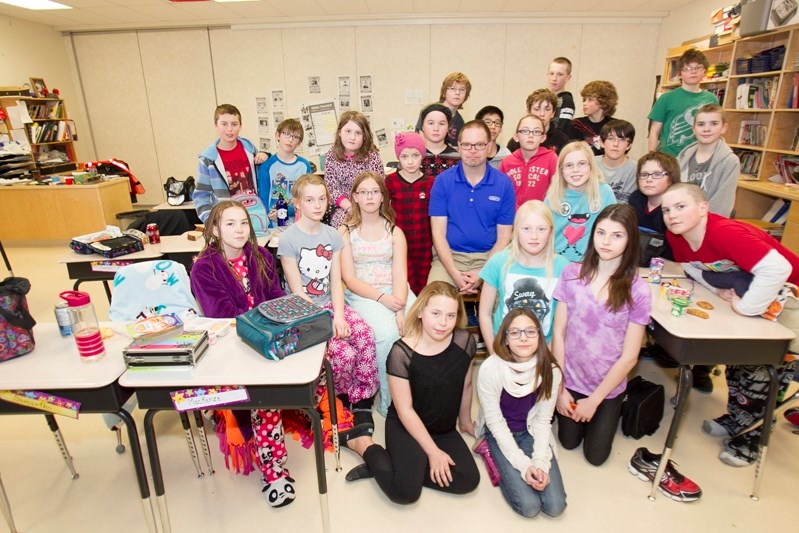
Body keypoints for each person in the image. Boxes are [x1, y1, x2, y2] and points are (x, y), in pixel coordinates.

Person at [661, 183, 799, 467]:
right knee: (739, 363)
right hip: (755, 298)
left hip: (789, 299)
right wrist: (717, 290)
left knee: (766, 371)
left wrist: (746, 308)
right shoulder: (677, 236)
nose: (672, 215)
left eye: (680, 206)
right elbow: (693, 268)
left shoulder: (725, 232)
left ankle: (752, 438)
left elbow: (778, 269)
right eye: (666, 210)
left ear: (703, 208)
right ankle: (738, 418)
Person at [190, 200, 294, 507]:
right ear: (215, 230)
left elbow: (275, 295)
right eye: (230, 224)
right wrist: (265, 322)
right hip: (230, 344)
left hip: (263, 336)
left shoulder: (260, 254)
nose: (239, 230)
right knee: (265, 398)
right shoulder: (204, 267)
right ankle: (273, 471)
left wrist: (282, 316)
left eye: (244, 223)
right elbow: (222, 314)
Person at [343, 281, 480, 504]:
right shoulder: (401, 352)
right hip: (406, 426)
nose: (443, 323)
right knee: (405, 493)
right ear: (420, 312)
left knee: (468, 480)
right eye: (435, 313)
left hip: (443, 428)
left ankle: (393, 468)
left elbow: (465, 384)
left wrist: (464, 421)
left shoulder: (465, 342)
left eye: (450, 316)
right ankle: (363, 445)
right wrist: (434, 453)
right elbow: (405, 410)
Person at [277, 174, 379, 431]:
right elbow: (298, 292)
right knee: (343, 354)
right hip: (305, 312)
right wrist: (327, 322)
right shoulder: (288, 239)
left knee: (365, 334)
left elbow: (336, 282)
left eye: (322, 199)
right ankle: (337, 398)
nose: (317, 205)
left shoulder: (332, 235)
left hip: (332, 304)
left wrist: (340, 316)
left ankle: (361, 398)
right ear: (297, 203)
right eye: (310, 200)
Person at [552, 204, 652, 466]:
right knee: (568, 442)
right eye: (601, 233)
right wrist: (560, 387)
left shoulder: (638, 290)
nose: (606, 242)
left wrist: (595, 401)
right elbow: (558, 334)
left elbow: (630, 358)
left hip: (605, 387)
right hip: (570, 380)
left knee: (596, 457)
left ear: (630, 240)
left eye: (617, 235)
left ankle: (612, 409)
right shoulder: (572, 273)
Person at [476, 308, 567, 518]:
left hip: (530, 431)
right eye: (515, 332)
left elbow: (543, 421)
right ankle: (487, 450)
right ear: (506, 339)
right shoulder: (491, 369)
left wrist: (539, 463)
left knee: (555, 506)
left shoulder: (550, 370)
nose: (523, 338)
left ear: (539, 336)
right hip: (498, 434)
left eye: (530, 331)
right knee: (529, 507)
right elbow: (496, 424)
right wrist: (525, 466)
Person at [339, 171, 416, 417]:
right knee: (386, 335)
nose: (370, 197)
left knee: (417, 326)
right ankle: (390, 402)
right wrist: (383, 300)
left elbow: (400, 274)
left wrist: (401, 309)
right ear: (355, 197)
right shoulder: (345, 232)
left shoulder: (394, 231)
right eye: (364, 192)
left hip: (396, 290)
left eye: (375, 191)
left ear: (383, 197)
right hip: (364, 294)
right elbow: (349, 279)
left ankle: (416, 394)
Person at [428, 120, 516, 293]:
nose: (473, 150)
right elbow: (438, 234)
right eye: (467, 145)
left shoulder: (503, 184)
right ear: (459, 147)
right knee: (432, 301)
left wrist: (483, 273)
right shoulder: (443, 182)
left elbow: (504, 237)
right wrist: (454, 273)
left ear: (489, 147)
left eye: (479, 145)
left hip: (490, 258)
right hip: (449, 258)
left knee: (508, 301)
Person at [478, 200, 569, 350]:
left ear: (551, 231)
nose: (534, 236)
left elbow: (562, 324)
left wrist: (549, 357)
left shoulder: (562, 267)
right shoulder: (498, 262)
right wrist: (494, 352)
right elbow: (485, 313)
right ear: (516, 230)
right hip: (503, 347)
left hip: (544, 349)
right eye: (526, 228)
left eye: (541, 229)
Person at [194, 104, 268, 222]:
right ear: (215, 125)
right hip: (227, 220)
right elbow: (201, 196)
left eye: (234, 124)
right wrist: (211, 222)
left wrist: (266, 156)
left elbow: (264, 176)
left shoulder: (249, 149)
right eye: (224, 124)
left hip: (254, 215)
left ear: (240, 126)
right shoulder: (208, 159)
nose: (229, 129)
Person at [545, 141, 617, 262]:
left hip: (591, 264)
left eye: (582, 164)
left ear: (591, 166)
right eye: (569, 165)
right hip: (557, 263)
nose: (575, 170)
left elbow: (614, 229)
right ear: (561, 170)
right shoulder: (552, 197)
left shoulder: (604, 193)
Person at [386, 132, 435, 297]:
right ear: (398, 158)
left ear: (422, 156)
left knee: (424, 288)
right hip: (400, 244)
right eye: (404, 156)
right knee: (403, 285)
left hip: (425, 244)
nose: (410, 161)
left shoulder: (431, 183)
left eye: (415, 155)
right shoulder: (390, 181)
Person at [648, 48, 718, 157]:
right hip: (669, 157)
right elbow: (654, 131)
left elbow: (716, 129)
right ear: (679, 73)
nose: (693, 72)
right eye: (688, 68)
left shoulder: (711, 99)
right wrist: (651, 157)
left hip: (699, 157)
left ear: (704, 71)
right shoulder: (666, 98)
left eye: (698, 67)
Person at [676, 104, 740, 217]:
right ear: (693, 129)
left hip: (709, 221)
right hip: (681, 218)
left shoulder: (730, 161)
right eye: (701, 124)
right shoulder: (683, 157)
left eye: (714, 124)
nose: (706, 129)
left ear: (724, 128)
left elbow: (723, 203)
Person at [324, 111, 384, 228]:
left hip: (369, 204)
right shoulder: (331, 155)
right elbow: (331, 188)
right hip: (342, 207)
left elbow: (378, 185)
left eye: (358, 133)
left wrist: (364, 206)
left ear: (365, 136)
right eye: (348, 131)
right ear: (339, 132)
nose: (352, 137)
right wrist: (349, 207)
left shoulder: (372, 156)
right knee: (344, 224)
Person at [257, 118, 312, 227]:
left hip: (299, 224)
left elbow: (308, 198)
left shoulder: (304, 166)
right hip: (273, 226)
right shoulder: (267, 167)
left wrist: (286, 211)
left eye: (295, 137)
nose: (290, 139)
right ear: (278, 135)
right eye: (286, 134)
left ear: (299, 142)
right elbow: (263, 200)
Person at [628, 151, 681, 260]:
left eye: (657, 174)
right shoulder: (635, 199)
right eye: (644, 174)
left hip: (670, 264)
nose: (649, 179)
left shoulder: (677, 208)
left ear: (671, 178)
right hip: (638, 261)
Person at [499, 115, 557, 207]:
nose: (531, 135)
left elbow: (557, 190)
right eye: (525, 131)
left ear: (543, 138)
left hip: (541, 215)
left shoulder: (551, 158)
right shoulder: (506, 162)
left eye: (536, 131)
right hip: (512, 217)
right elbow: (501, 193)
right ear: (516, 137)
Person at [415, 72, 472, 147]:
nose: (457, 93)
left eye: (462, 90)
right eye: (452, 89)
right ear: (444, 92)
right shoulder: (429, 111)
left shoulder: (460, 121)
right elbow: (420, 139)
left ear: (466, 95)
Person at [506, 89, 569, 155]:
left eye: (547, 109)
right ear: (529, 112)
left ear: (553, 113)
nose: (542, 114)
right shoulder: (518, 139)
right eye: (537, 109)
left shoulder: (563, 140)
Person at [570, 81, 618, 156]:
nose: (584, 103)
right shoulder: (576, 124)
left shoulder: (615, 126)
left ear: (603, 102)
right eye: (584, 99)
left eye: (590, 100)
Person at [596, 119, 637, 204]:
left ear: (629, 145)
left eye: (622, 140)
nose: (615, 144)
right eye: (611, 138)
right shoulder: (590, 163)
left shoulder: (635, 168)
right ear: (601, 142)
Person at [418, 103, 461, 181]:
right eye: (431, 123)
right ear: (422, 126)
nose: (436, 128)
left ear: (449, 127)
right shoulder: (412, 156)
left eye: (441, 124)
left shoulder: (458, 158)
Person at [547, 57, 575, 134]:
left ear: (567, 78)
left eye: (560, 74)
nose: (554, 78)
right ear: (547, 75)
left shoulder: (567, 100)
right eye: (551, 73)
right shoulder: (543, 99)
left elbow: (563, 128)